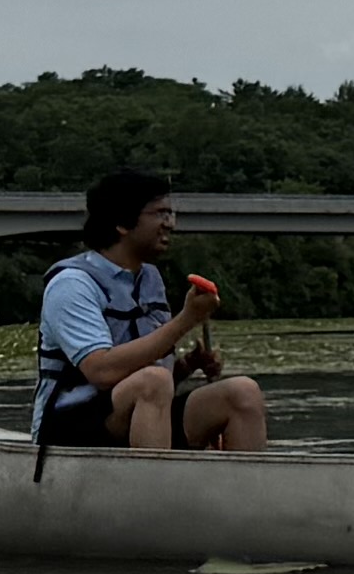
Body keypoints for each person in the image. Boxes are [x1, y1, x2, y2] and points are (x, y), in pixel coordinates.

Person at [36, 168, 272, 453]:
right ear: (122, 222)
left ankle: (243, 493)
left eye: (170, 214)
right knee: (153, 381)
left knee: (242, 392)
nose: (170, 223)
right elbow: (101, 371)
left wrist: (187, 366)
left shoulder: (150, 279)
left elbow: (150, 383)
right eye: (160, 213)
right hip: (67, 429)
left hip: (134, 409)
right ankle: (156, 492)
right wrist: (187, 320)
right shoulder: (73, 284)